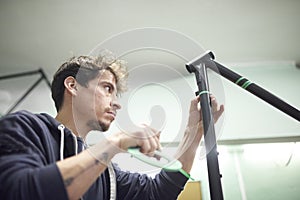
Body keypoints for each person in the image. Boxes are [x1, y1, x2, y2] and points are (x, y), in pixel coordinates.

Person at [0, 51, 224, 200]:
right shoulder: (24, 127)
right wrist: (114, 144)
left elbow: (158, 192)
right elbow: (20, 191)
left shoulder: (107, 174)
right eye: (107, 88)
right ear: (73, 86)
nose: (116, 103)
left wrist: (194, 133)